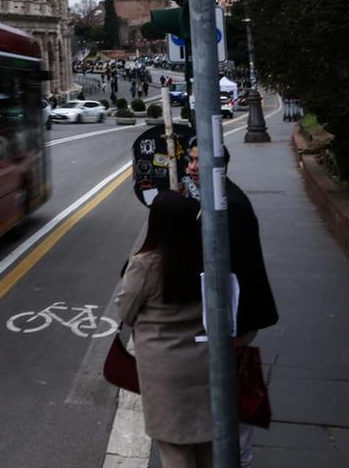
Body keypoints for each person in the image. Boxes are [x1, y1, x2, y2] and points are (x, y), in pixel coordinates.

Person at [185, 137, 280, 466]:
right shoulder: (217, 197)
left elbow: (237, 273)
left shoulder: (231, 206)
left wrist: (231, 332)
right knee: (227, 395)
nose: (191, 167)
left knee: (233, 398)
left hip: (235, 321)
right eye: (189, 160)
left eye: (197, 161)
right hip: (229, 320)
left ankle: (238, 458)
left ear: (219, 166)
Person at [113, 190, 214, 467]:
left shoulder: (145, 264)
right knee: (207, 444)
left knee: (175, 448)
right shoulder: (205, 257)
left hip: (164, 371)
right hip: (203, 361)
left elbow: (126, 312)